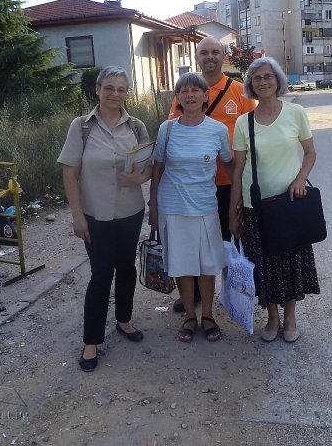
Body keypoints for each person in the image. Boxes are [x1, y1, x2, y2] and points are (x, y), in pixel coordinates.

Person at [57, 66, 152, 372]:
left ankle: (124, 320)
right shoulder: (81, 127)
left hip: (130, 212)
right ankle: (91, 341)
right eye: (109, 88)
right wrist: (77, 216)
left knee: (126, 268)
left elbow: (148, 167)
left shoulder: (136, 127)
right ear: (97, 89)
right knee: (101, 274)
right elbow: (69, 173)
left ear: (127, 94)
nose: (115, 94)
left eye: (121, 89)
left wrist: (138, 179)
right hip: (95, 214)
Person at [229, 57, 319, 343]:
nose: (263, 82)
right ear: (250, 85)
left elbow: (310, 153)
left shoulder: (296, 113)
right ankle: (272, 317)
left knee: (291, 261)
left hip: (290, 203)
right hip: (256, 207)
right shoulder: (244, 122)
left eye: (268, 76)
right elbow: (238, 169)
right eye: (257, 78)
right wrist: (233, 212)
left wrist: (300, 179)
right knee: (263, 262)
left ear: (278, 80)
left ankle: (290, 317)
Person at [168, 36, 256, 313]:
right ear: (196, 57)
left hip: (230, 182)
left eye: (215, 52)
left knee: (230, 239)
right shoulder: (185, 92)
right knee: (195, 241)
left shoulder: (240, 92)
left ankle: (233, 293)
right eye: (204, 52)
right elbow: (173, 130)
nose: (210, 56)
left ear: (223, 56)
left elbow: (255, 134)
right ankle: (193, 294)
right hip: (193, 185)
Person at [149, 72, 233, 342]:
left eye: (195, 90)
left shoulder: (218, 130)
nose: (190, 95)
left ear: (205, 95)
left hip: (206, 207)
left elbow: (230, 165)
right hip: (173, 208)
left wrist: (241, 197)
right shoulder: (167, 129)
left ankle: (207, 315)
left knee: (207, 266)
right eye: (184, 91)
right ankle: (189, 316)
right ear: (178, 97)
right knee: (182, 265)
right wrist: (153, 205)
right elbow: (157, 168)